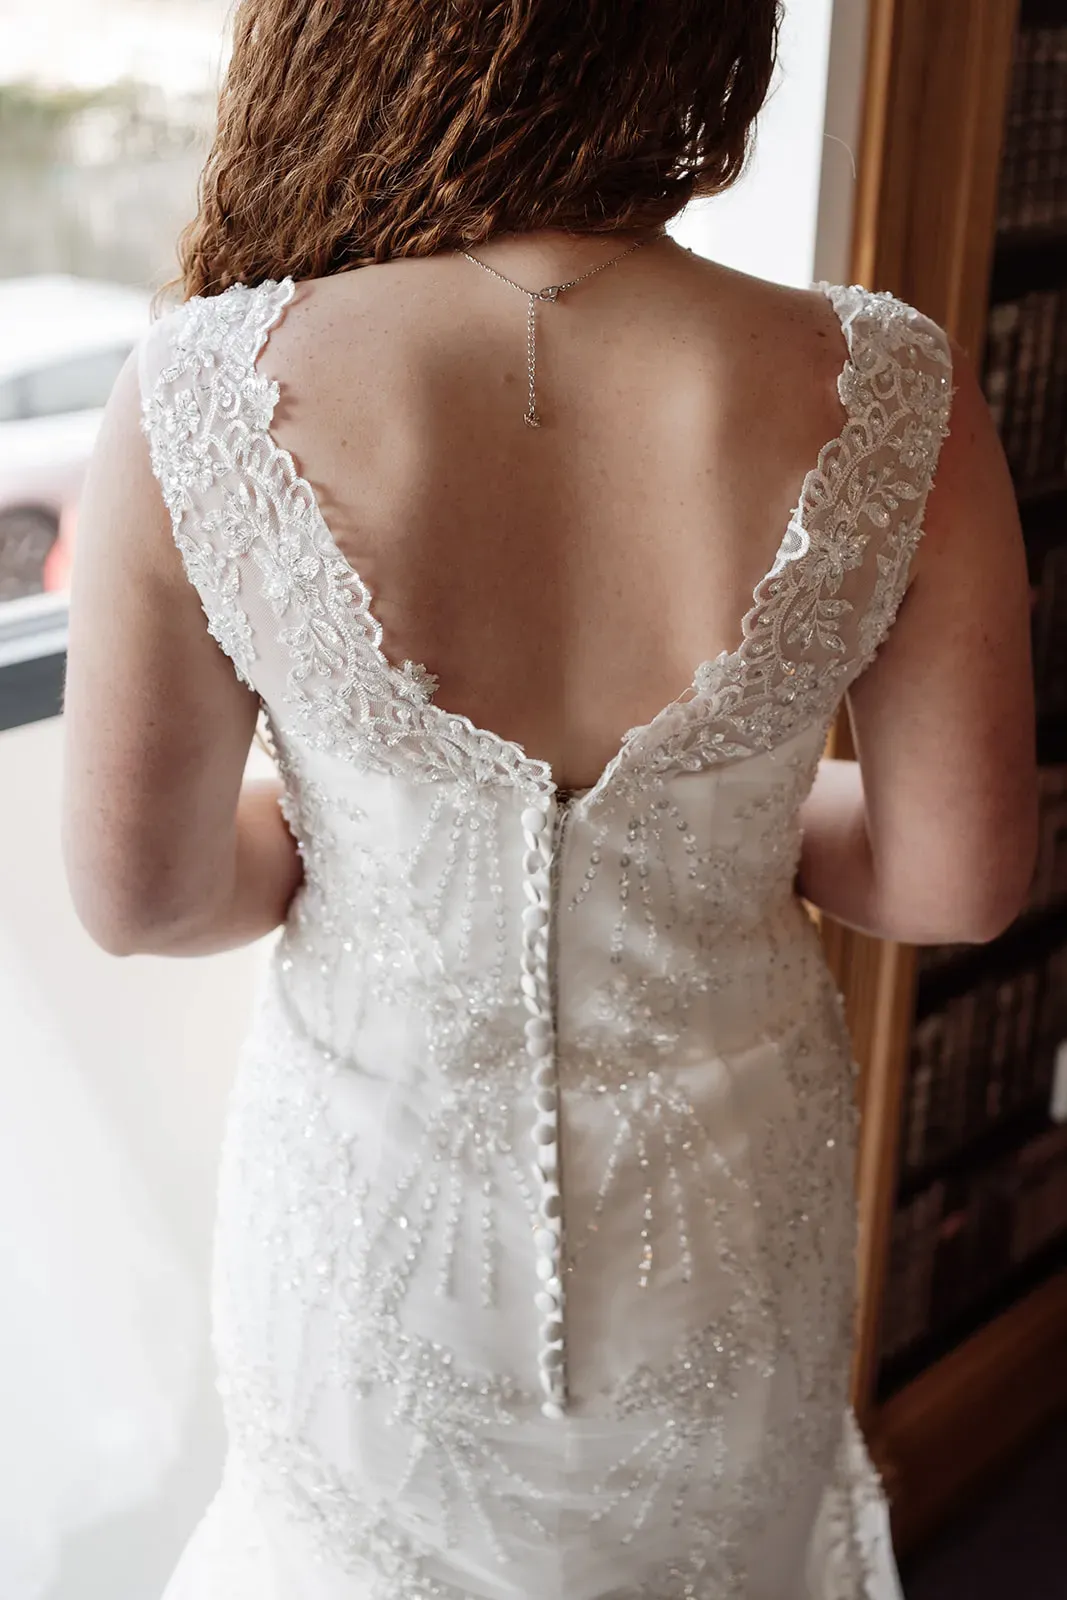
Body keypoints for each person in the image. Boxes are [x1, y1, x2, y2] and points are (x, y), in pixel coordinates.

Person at [61, 0, 1037, 1595]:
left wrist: (370, 838)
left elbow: (148, 898)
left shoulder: (202, 390)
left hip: (371, 1238)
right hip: (722, 1238)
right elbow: (955, 882)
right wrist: (711, 840)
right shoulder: (888, 389)